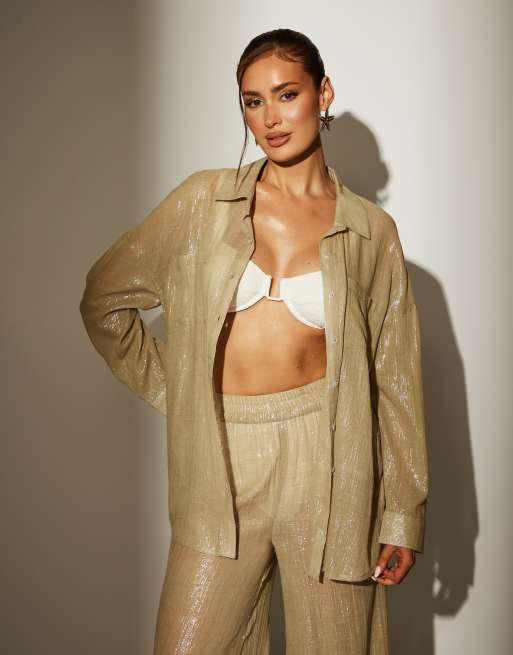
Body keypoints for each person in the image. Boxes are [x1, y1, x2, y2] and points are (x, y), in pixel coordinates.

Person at [79, 28, 429, 655]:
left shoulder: (371, 231)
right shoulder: (203, 202)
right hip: (222, 455)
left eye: (286, 94)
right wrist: (182, 390)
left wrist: (402, 513)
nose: (270, 118)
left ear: (323, 93)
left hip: (331, 459)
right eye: (252, 101)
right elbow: (104, 301)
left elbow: (393, 377)